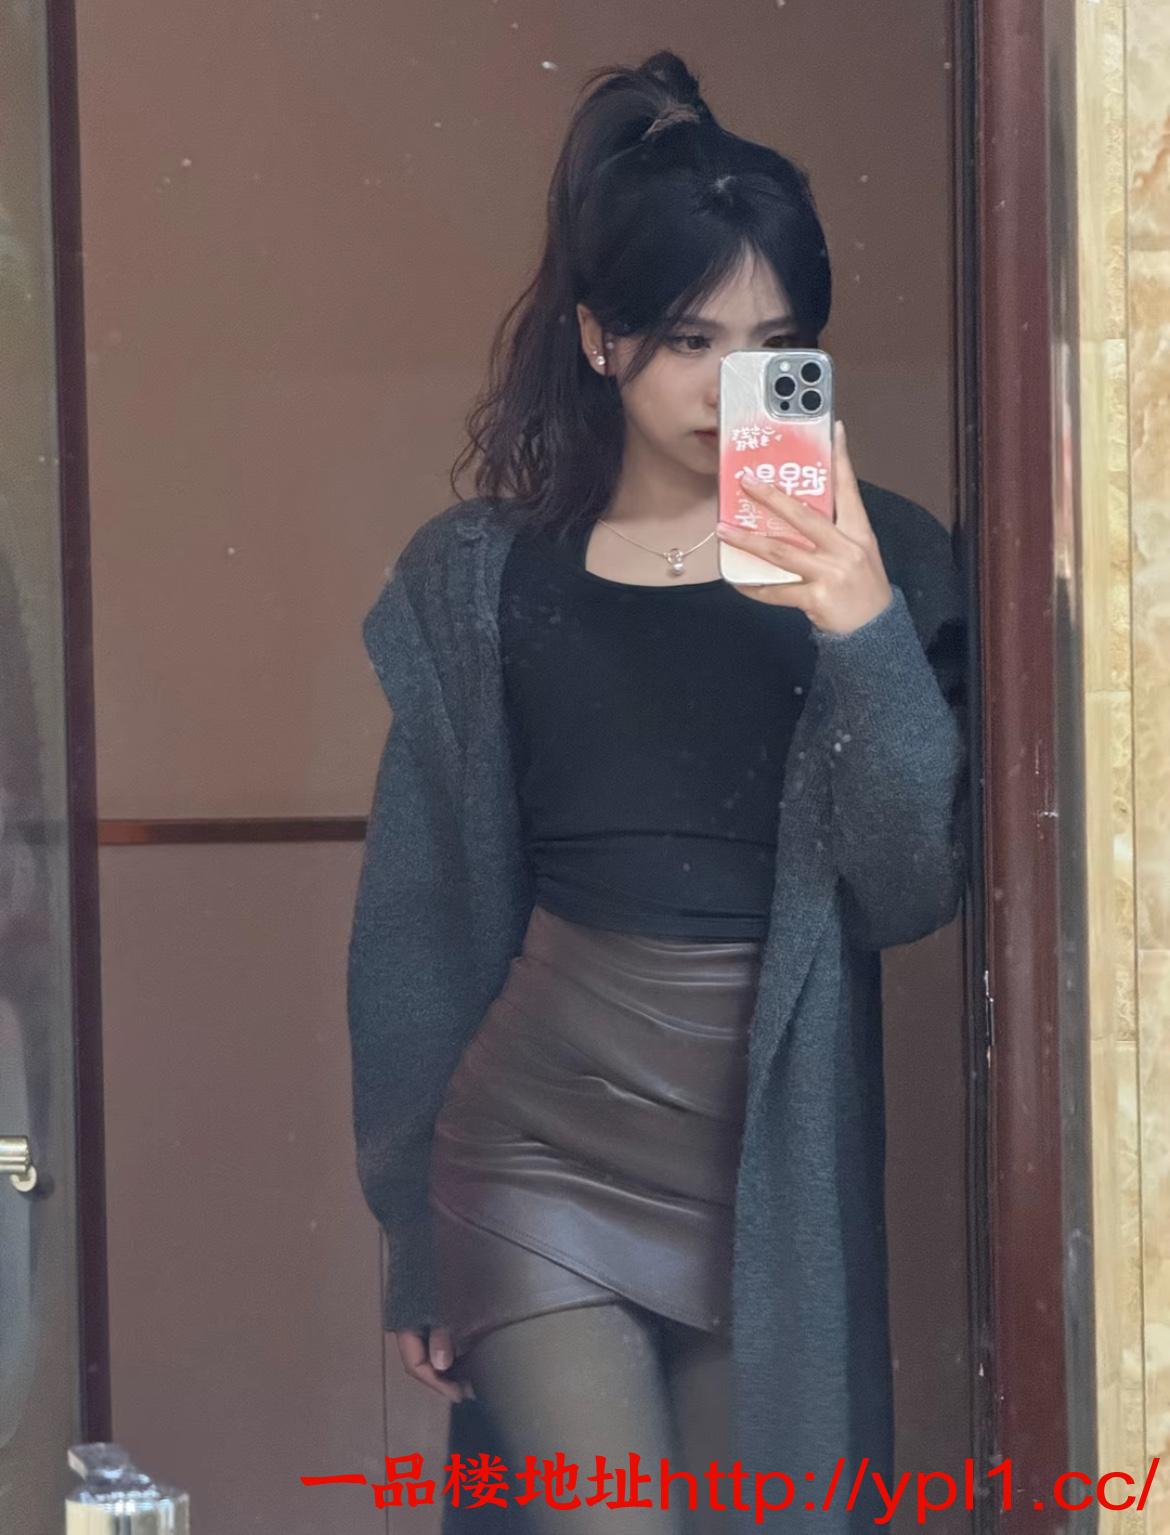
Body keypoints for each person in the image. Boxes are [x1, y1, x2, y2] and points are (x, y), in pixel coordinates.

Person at [347, 49, 968, 1535]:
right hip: (535, 1151)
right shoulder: (483, 579)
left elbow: (907, 890)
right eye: (690, 338)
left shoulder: (885, 561)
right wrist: (414, 1237)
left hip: (767, 1166)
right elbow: (416, 929)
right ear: (600, 337)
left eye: (773, 345)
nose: (726, 385)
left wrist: (860, 628)